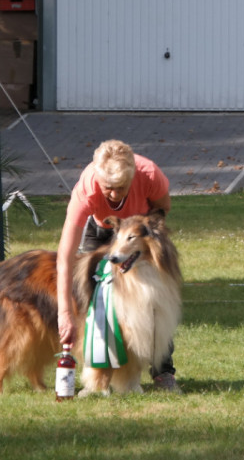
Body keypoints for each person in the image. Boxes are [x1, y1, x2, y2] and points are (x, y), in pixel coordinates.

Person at [56, 139, 176, 390]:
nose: (113, 194)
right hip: (101, 230)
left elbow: (163, 208)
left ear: (133, 177)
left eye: (121, 188)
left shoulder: (149, 174)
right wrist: (64, 314)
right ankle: (99, 374)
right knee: (94, 303)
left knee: (154, 303)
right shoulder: (87, 189)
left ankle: (163, 372)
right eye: (108, 188)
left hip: (137, 234)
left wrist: (140, 234)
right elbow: (65, 257)